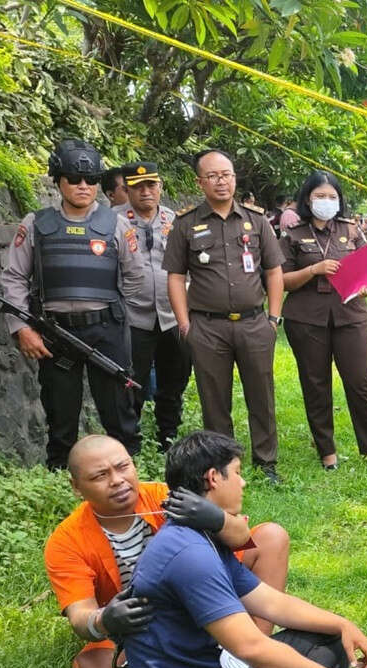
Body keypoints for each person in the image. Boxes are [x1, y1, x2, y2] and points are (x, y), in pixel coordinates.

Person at [43, 434, 290, 668]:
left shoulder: (164, 497)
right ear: (76, 487)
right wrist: (104, 620)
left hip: (203, 604)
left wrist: (215, 518)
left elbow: (240, 539)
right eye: (100, 476)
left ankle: (259, 661)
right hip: (137, 634)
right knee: (92, 659)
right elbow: (80, 615)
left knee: (271, 537)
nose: (117, 481)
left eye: (123, 467)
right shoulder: (66, 540)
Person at [123, 430, 367, 668]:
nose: (243, 483)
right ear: (214, 478)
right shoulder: (187, 553)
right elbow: (251, 647)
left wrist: (341, 624)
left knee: (329, 639)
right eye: (239, 473)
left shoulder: (205, 535)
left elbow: (270, 602)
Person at [0, 139, 143, 470]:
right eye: (74, 179)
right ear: (59, 181)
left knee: (120, 415)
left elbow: (135, 277)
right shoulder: (36, 224)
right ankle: (62, 480)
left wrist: (117, 316)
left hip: (106, 330)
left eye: (91, 180)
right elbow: (14, 278)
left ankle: (129, 476)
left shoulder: (117, 225)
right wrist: (21, 328)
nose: (83, 186)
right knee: (61, 417)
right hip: (55, 335)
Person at [164, 149, 286, 483]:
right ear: (200, 182)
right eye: (214, 176)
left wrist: (273, 319)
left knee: (261, 394)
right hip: (207, 326)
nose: (222, 182)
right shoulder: (186, 223)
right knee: (214, 399)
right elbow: (175, 276)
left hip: (253, 323)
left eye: (228, 174)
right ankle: (222, 463)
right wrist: (184, 323)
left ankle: (267, 462)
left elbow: (274, 271)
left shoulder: (256, 220)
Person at [279, 171, 367, 469]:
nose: (326, 202)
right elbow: (281, 280)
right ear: (307, 199)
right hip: (307, 318)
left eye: (331, 197)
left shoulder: (351, 230)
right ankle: (327, 451)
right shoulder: (293, 234)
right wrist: (313, 270)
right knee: (316, 382)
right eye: (319, 196)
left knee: (361, 381)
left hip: (350, 314)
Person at [112, 161, 191, 451]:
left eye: (151, 185)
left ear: (160, 187)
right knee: (132, 383)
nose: (146, 191)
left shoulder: (176, 220)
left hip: (173, 315)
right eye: (138, 186)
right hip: (134, 316)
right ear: (127, 190)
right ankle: (130, 444)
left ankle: (168, 438)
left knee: (175, 380)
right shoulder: (112, 221)